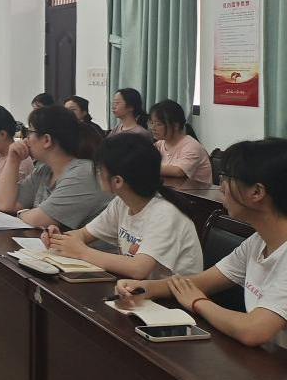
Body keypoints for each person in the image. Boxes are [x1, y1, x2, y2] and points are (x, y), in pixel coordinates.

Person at [115, 138, 287, 349]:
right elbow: (201, 282)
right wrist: (146, 288)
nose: (221, 187)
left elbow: (253, 330)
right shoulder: (258, 241)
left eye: (227, 178)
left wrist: (198, 302)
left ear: (257, 192)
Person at [43, 135, 202, 279]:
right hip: (137, 289)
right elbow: (84, 234)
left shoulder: (165, 213)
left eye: (99, 170)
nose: (96, 174)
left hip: (172, 298)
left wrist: (81, 252)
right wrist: (58, 239)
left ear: (117, 181)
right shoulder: (122, 203)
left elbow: (138, 268)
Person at [0, 105, 111, 229]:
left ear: (46, 140)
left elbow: (40, 220)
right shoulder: (45, 169)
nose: (26, 140)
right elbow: (5, 204)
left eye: (29, 132)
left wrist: (22, 213)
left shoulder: (83, 173)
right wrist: (13, 161)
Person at [149, 99, 212, 183]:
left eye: (158, 124)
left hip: (193, 191)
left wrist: (146, 167)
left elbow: (178, 171)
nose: (153, 128)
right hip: (170, 189)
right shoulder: (159, 144)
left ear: (175, 126)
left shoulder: (191, 146)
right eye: (151, 123)